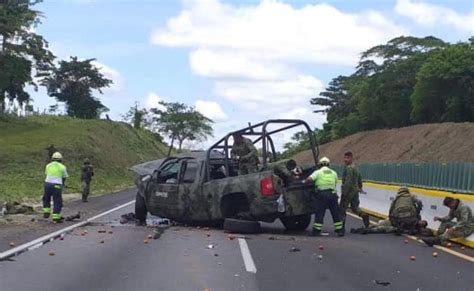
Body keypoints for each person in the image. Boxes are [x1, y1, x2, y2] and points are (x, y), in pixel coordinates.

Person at [351, 187, 430, 235]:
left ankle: (368, 228)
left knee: (383, 225)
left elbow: (391, 210)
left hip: (397, 220)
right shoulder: (412, 196)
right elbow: (419, 202)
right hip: (411, 220)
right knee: (390, 228)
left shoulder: (396, 198)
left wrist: (391, 218)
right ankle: (370, 229)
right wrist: (417, 211)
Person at [303, 157, 344, 237]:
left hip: (322, 195)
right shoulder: (334, 173)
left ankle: (316, 231)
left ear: (320, 164)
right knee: (335, 213)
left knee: (320, 213)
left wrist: (304, 181)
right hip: (332, 194)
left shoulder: (318, 172)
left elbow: (309, 179)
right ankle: (340, 230)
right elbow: (335, 183)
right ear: (328, 165)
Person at [339, 151, 370, 230]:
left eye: (347, 158)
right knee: (355, 207)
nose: (345, 160)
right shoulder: (356, 167)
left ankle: (341, 228)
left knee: (342, 209)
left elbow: (348, 182)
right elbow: (359, 179)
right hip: (355, 191)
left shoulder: (349, 168)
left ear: (351, 158)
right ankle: (364, 215)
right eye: (345, 158)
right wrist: (360, 188)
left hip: (348, 191)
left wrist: (344, 193)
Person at [43, 152, 68, 223]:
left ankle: (46, 213)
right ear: (61, 159)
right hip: (56, 185)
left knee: (46, 198)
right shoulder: (62, 167)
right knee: (57, 201)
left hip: (47, 184)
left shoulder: (48, 166)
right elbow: (64, 177)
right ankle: (56, 217)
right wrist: (62, 184)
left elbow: (47, 174)